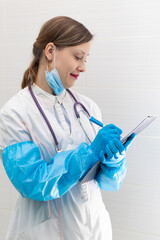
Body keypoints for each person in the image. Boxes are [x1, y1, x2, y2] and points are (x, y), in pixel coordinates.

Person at [0, 16, 135, 240]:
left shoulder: (88, 107)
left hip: (94, 229)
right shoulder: (14, 113)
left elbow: (108, 183)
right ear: (50, 51)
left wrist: (113, 161)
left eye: (86, 59)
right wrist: (88, 154)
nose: (82, 67)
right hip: (46, 232)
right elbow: (32, 182)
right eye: (78, 57)